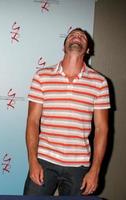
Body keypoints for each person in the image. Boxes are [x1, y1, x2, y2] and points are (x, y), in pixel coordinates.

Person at [23, 28, 110, 196]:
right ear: (64, 47)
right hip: (44, 161)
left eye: (82, 37)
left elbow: (102, 129)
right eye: (72, 35)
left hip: (79, 167)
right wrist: (33, 161)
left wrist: (95, 170)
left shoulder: (99, 82)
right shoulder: (42, 76)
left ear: (88, 49)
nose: (77, 36)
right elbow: (32, 121)